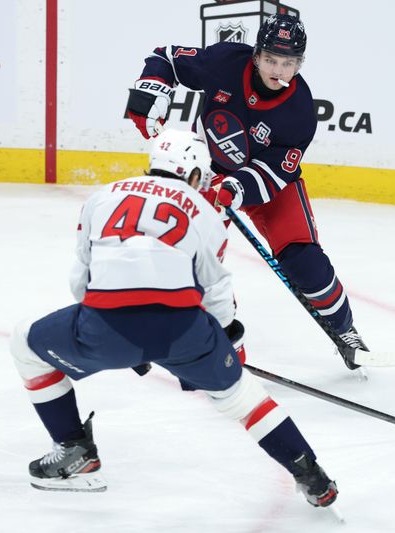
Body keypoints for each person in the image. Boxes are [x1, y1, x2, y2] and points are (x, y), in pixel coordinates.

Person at [9, 129, 338, 508]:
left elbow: (80, 279)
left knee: (24, 344)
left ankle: (74, 451)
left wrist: (122, 342)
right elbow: (216, 294)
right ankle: (314, 479)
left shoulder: (102, 197)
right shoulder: (205, 212)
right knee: (244, 400)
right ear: (195, 175)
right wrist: (224, 351)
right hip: (183, 331)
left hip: (105, 324)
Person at [125, 13, 368, 370]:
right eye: (270, 59)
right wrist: (151, 87)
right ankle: (217, 348)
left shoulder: (300, 111)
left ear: (301, 64)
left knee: (304, 261)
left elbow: (276, 168)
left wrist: (238, 186)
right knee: (193, 260)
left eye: (288, 63)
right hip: (207, 175)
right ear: (256, 54)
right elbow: (166, 58)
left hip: (269, 186)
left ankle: (346, 330)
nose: (277, 70)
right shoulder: (225, 62)